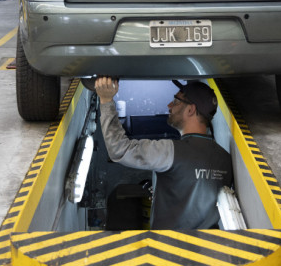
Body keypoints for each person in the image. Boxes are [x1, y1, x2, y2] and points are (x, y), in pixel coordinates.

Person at [95, 77, 233, 230]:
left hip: (169, 248)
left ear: (191, 110)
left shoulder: (172, 151)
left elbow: (119, 149)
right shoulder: (224, 158)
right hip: (209, 248)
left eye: (176, 101)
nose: (169, 106)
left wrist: (106, 101)